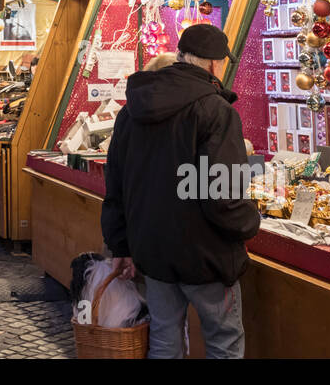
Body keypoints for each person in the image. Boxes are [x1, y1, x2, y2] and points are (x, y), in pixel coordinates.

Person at [101, 24, 259, 359]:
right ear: (216, 65)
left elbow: (114, 183)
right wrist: (250, 222)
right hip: (206, 256)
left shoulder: (132, 109)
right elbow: (223, 196)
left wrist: (120, 244)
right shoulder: (217, 111)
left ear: (181, 55)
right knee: (224, 343)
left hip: (153, 251)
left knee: (164, 337)